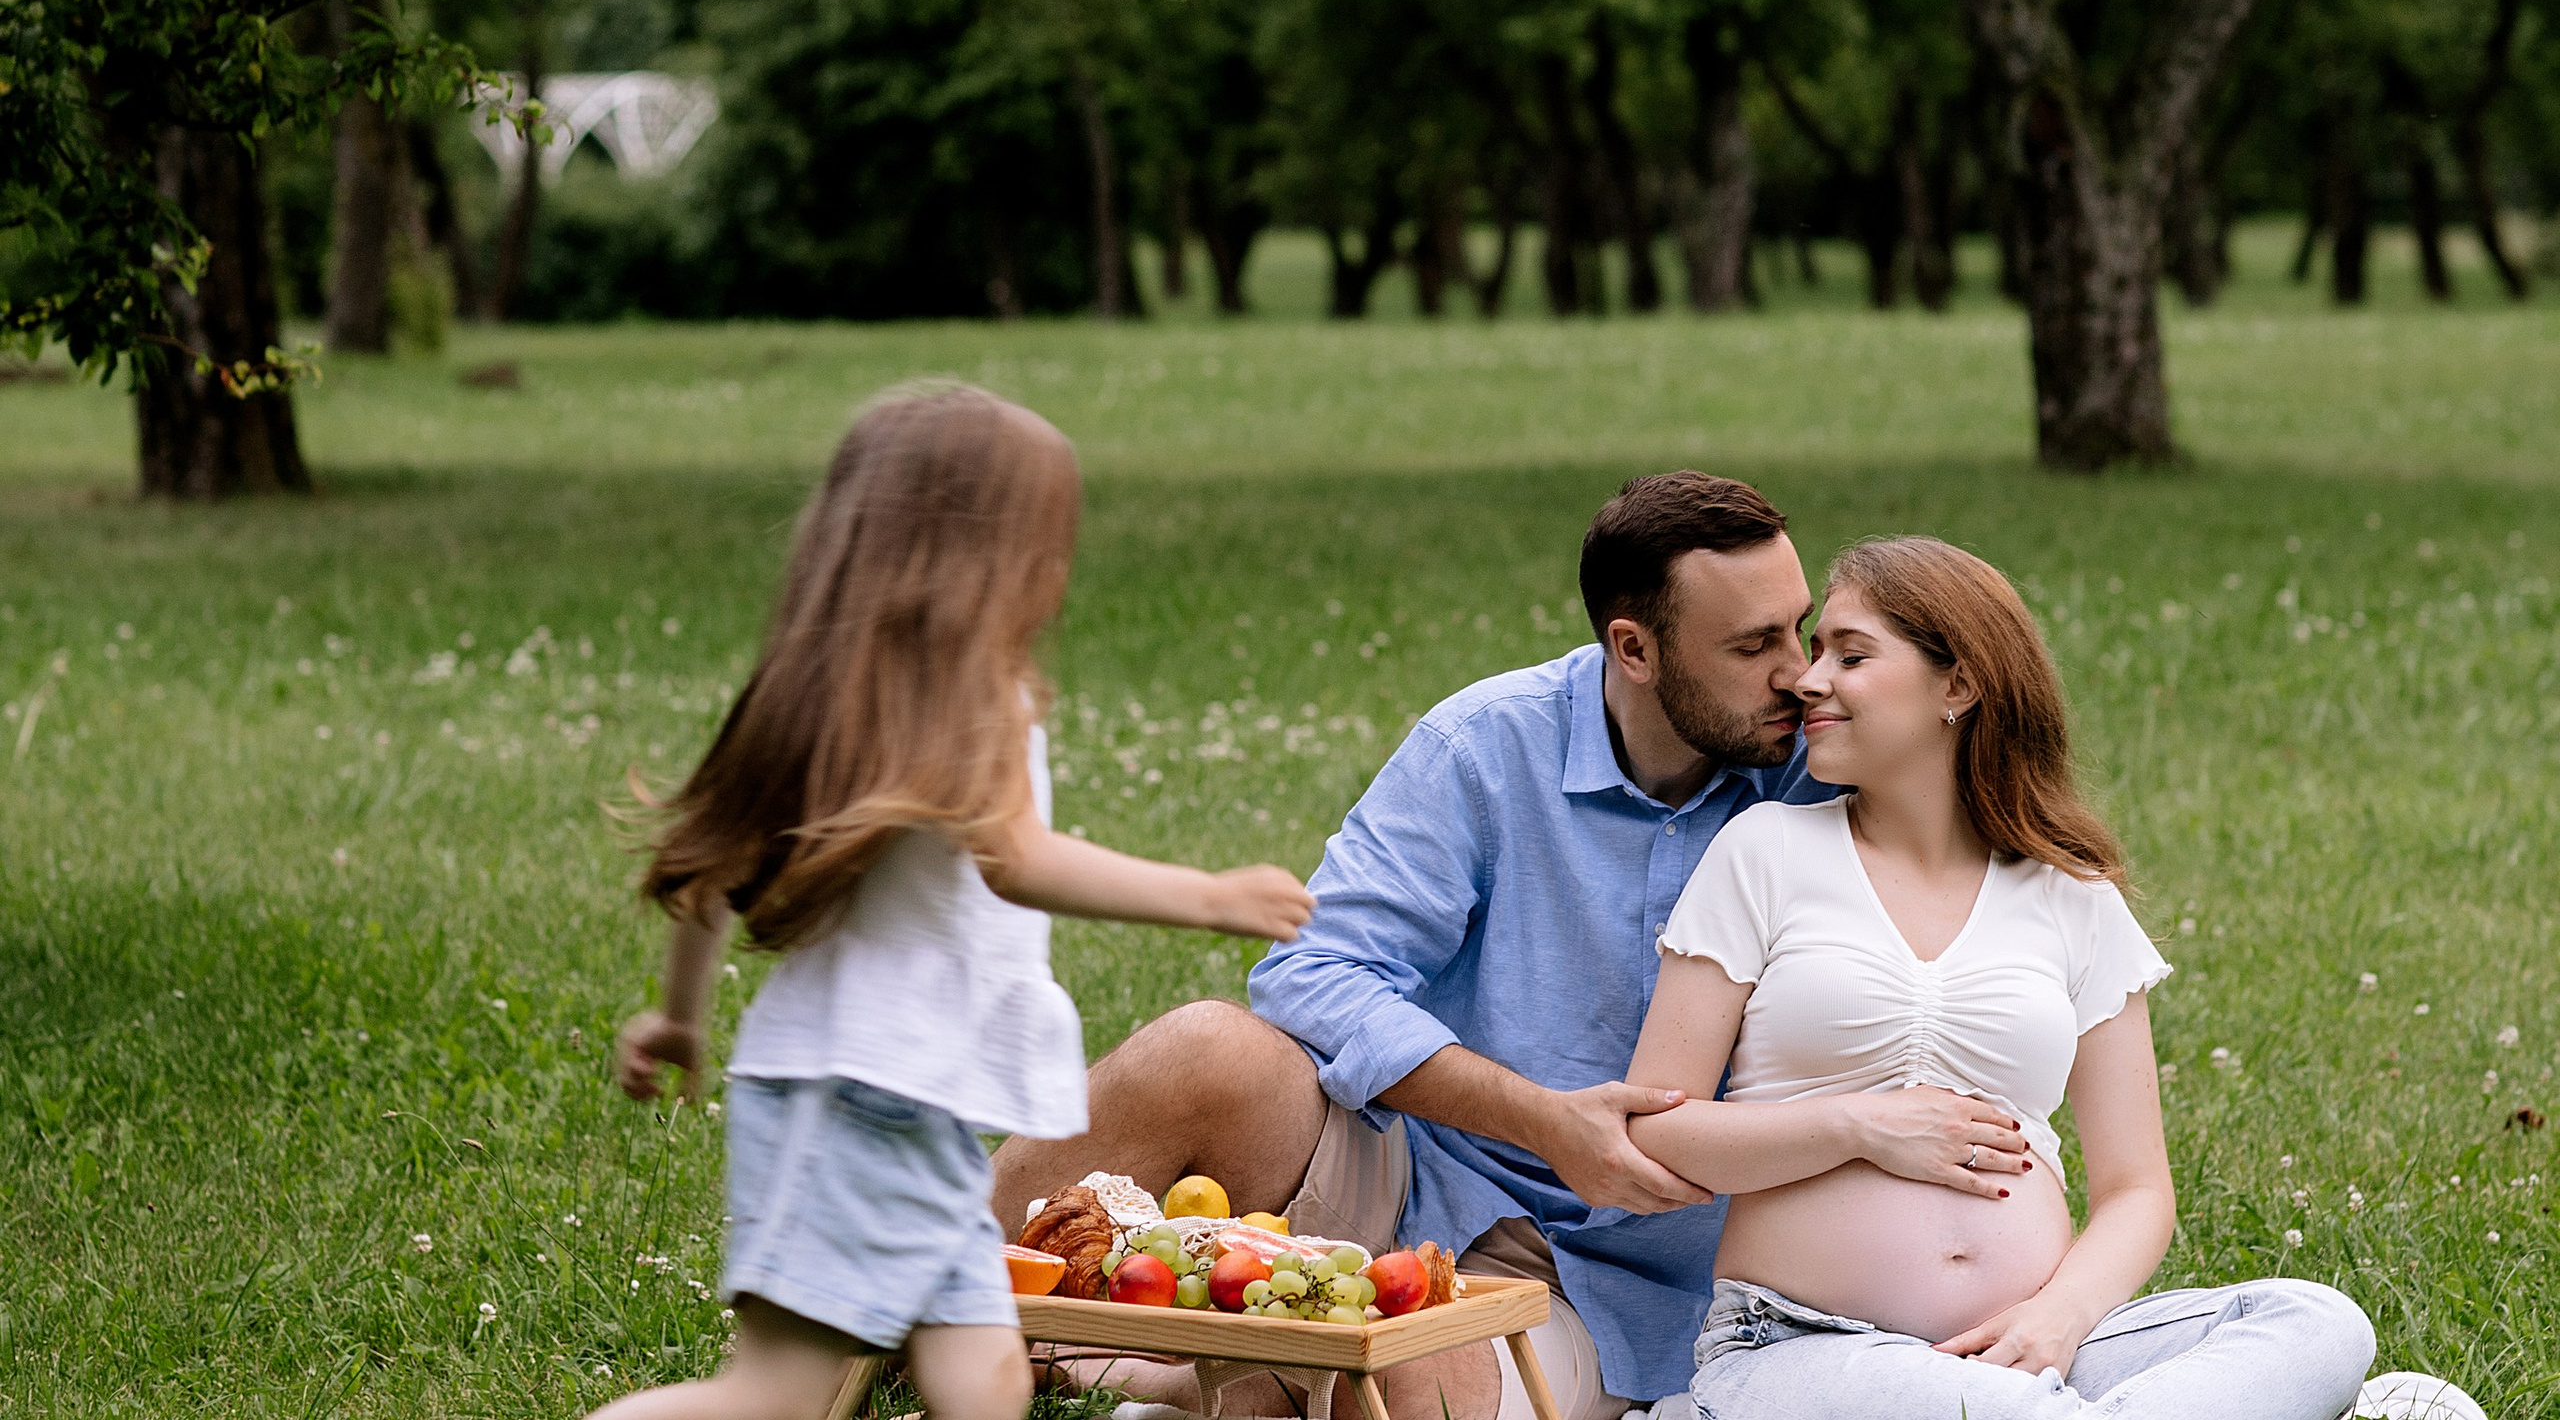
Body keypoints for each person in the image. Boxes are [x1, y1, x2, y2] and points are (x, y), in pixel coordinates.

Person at [993, 471, 1831, 1420]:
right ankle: (918, 1291)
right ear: (1633, 648)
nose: (1798, 672)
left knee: (1418, 1393)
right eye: (1754, 644)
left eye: (1798, 629)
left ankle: (1150, 1371)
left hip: (1619, 1282)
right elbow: (1312, 972)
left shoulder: (1825, 768)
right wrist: (1545, 1119)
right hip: (1426, 1181)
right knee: (1208, 1050)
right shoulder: (1486, 748)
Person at [1623, 535, 2476, 1420]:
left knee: (2316, 1319)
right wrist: (1857, 1126)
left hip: (2035, 1354)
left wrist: (2058, 1319)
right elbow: (1659, 1130)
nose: (1808, 679)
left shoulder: (2070, 895)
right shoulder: (1764, 853)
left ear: (1957, 684)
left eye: (1852, 654)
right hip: (1802, 1346)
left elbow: (2138, 1191)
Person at [592, 383, 1315, 1420]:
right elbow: (1012, 856)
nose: (1056, 573)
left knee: (983, 1377)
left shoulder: (831, 691)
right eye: (1044, 542)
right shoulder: (977, 694)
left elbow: (712, 871)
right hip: (863, 1105)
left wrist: (678, 1015)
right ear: (982, 556)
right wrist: (1204, 894)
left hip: (866, 1100)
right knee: (772, 1397)